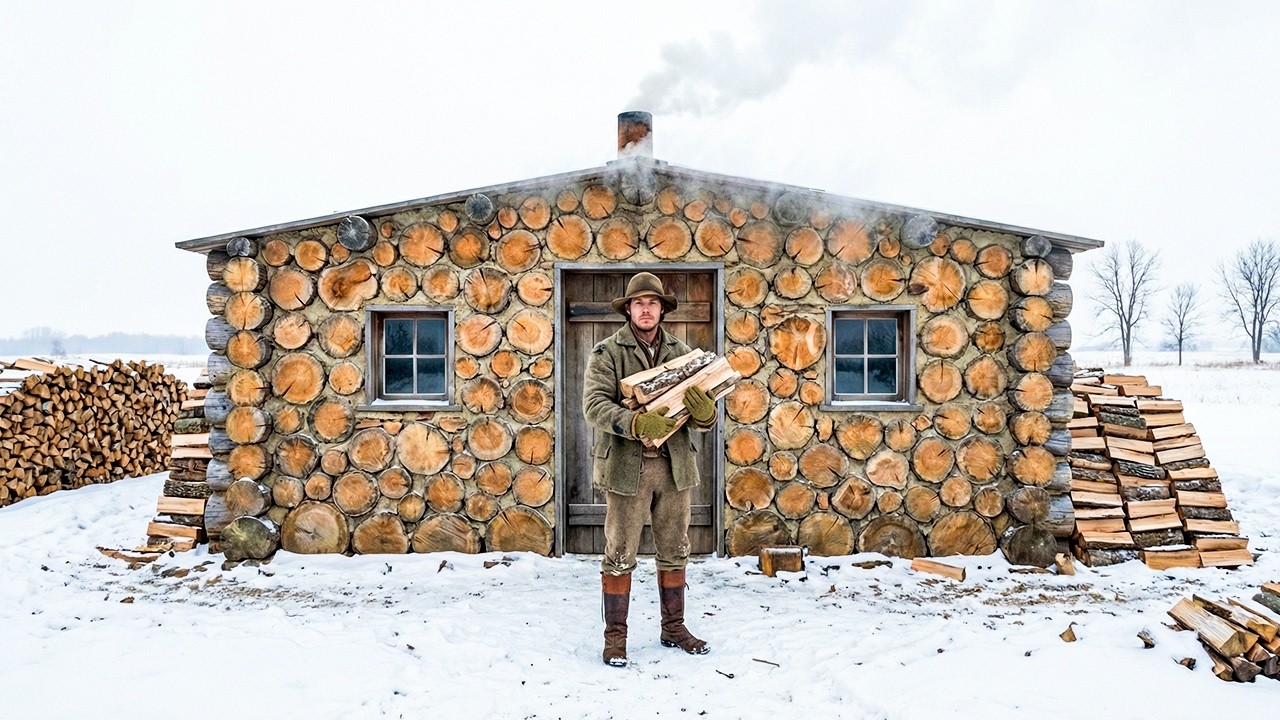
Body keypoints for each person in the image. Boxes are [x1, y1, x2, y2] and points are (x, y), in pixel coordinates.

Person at [582, 271, 717, 668]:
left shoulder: (682, 353)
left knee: (675, 550)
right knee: (619, 552)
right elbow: (594, 406)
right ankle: (615, 639)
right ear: (628, 310)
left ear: (662, 309)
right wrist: (636, 423)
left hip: (675, 468)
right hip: (627, 469)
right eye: (638, 303)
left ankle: (673, 628)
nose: (646, 309)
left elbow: (700, 410)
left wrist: (706, 415)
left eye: (652, 303)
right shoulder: (607, 352)